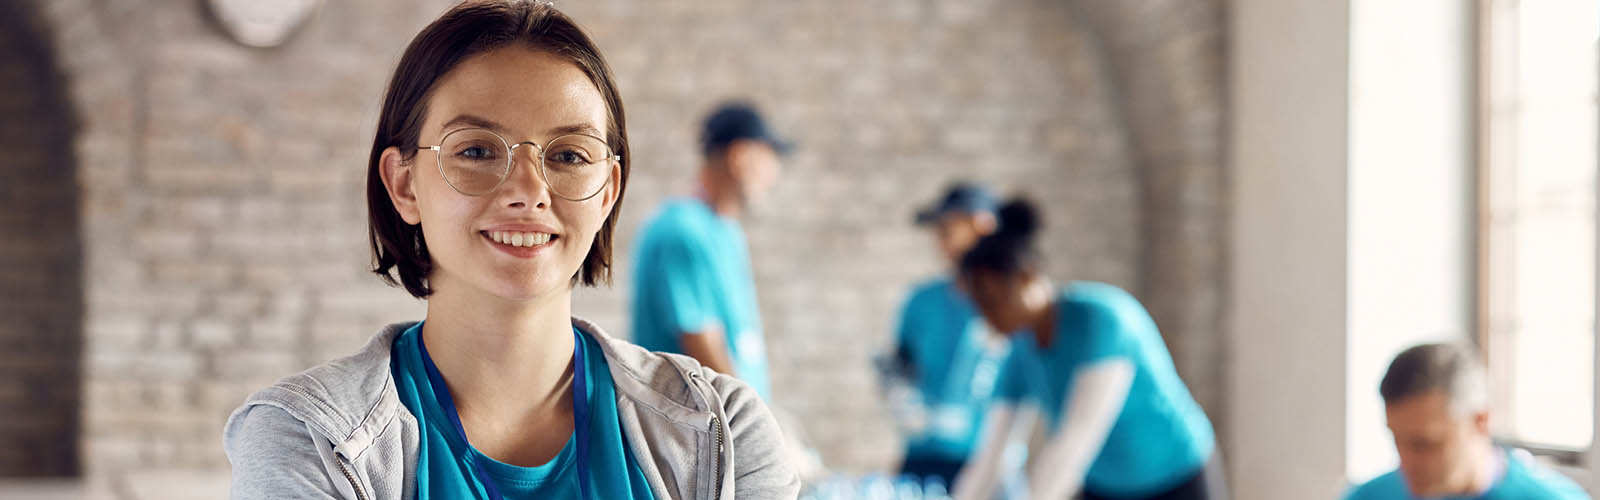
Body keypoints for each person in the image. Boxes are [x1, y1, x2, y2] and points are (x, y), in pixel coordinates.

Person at [222, 2, 798, 498]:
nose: (528, 191)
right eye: (475, 150)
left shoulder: (727, 433)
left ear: (607, 193)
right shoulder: (305, 438)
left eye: (569, 155)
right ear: (403, 184)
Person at [952, 199, 1222, 500]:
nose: (985, 314)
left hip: (1174, 477)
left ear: (1026, 276)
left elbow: (1074, 445)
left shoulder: (1102, 321)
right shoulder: (1018, 349)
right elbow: (992, 459)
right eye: (976, 305)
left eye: (990, 299)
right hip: (1104, 487)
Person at [630, 101, 788, 402]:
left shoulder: (725, 232)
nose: (774, 173)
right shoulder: (681, 232)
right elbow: (703, 347)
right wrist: (755, 430)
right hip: (697, 437)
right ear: (739, 157)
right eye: (769, 157)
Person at [1344, 343, 1590, 500]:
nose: (1406, 462)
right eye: (1397, 440)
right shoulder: (1369, 496)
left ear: (1480, 421)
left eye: (1424, 444)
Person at [888, 182, 1013, 489]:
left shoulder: (1010, 303)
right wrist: (902, 401)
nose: (942, 242)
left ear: (984, 228)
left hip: (989, 455)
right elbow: (900, 365)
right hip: (924, 456)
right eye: (939, 233)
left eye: (950, 230)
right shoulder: (922, 300)